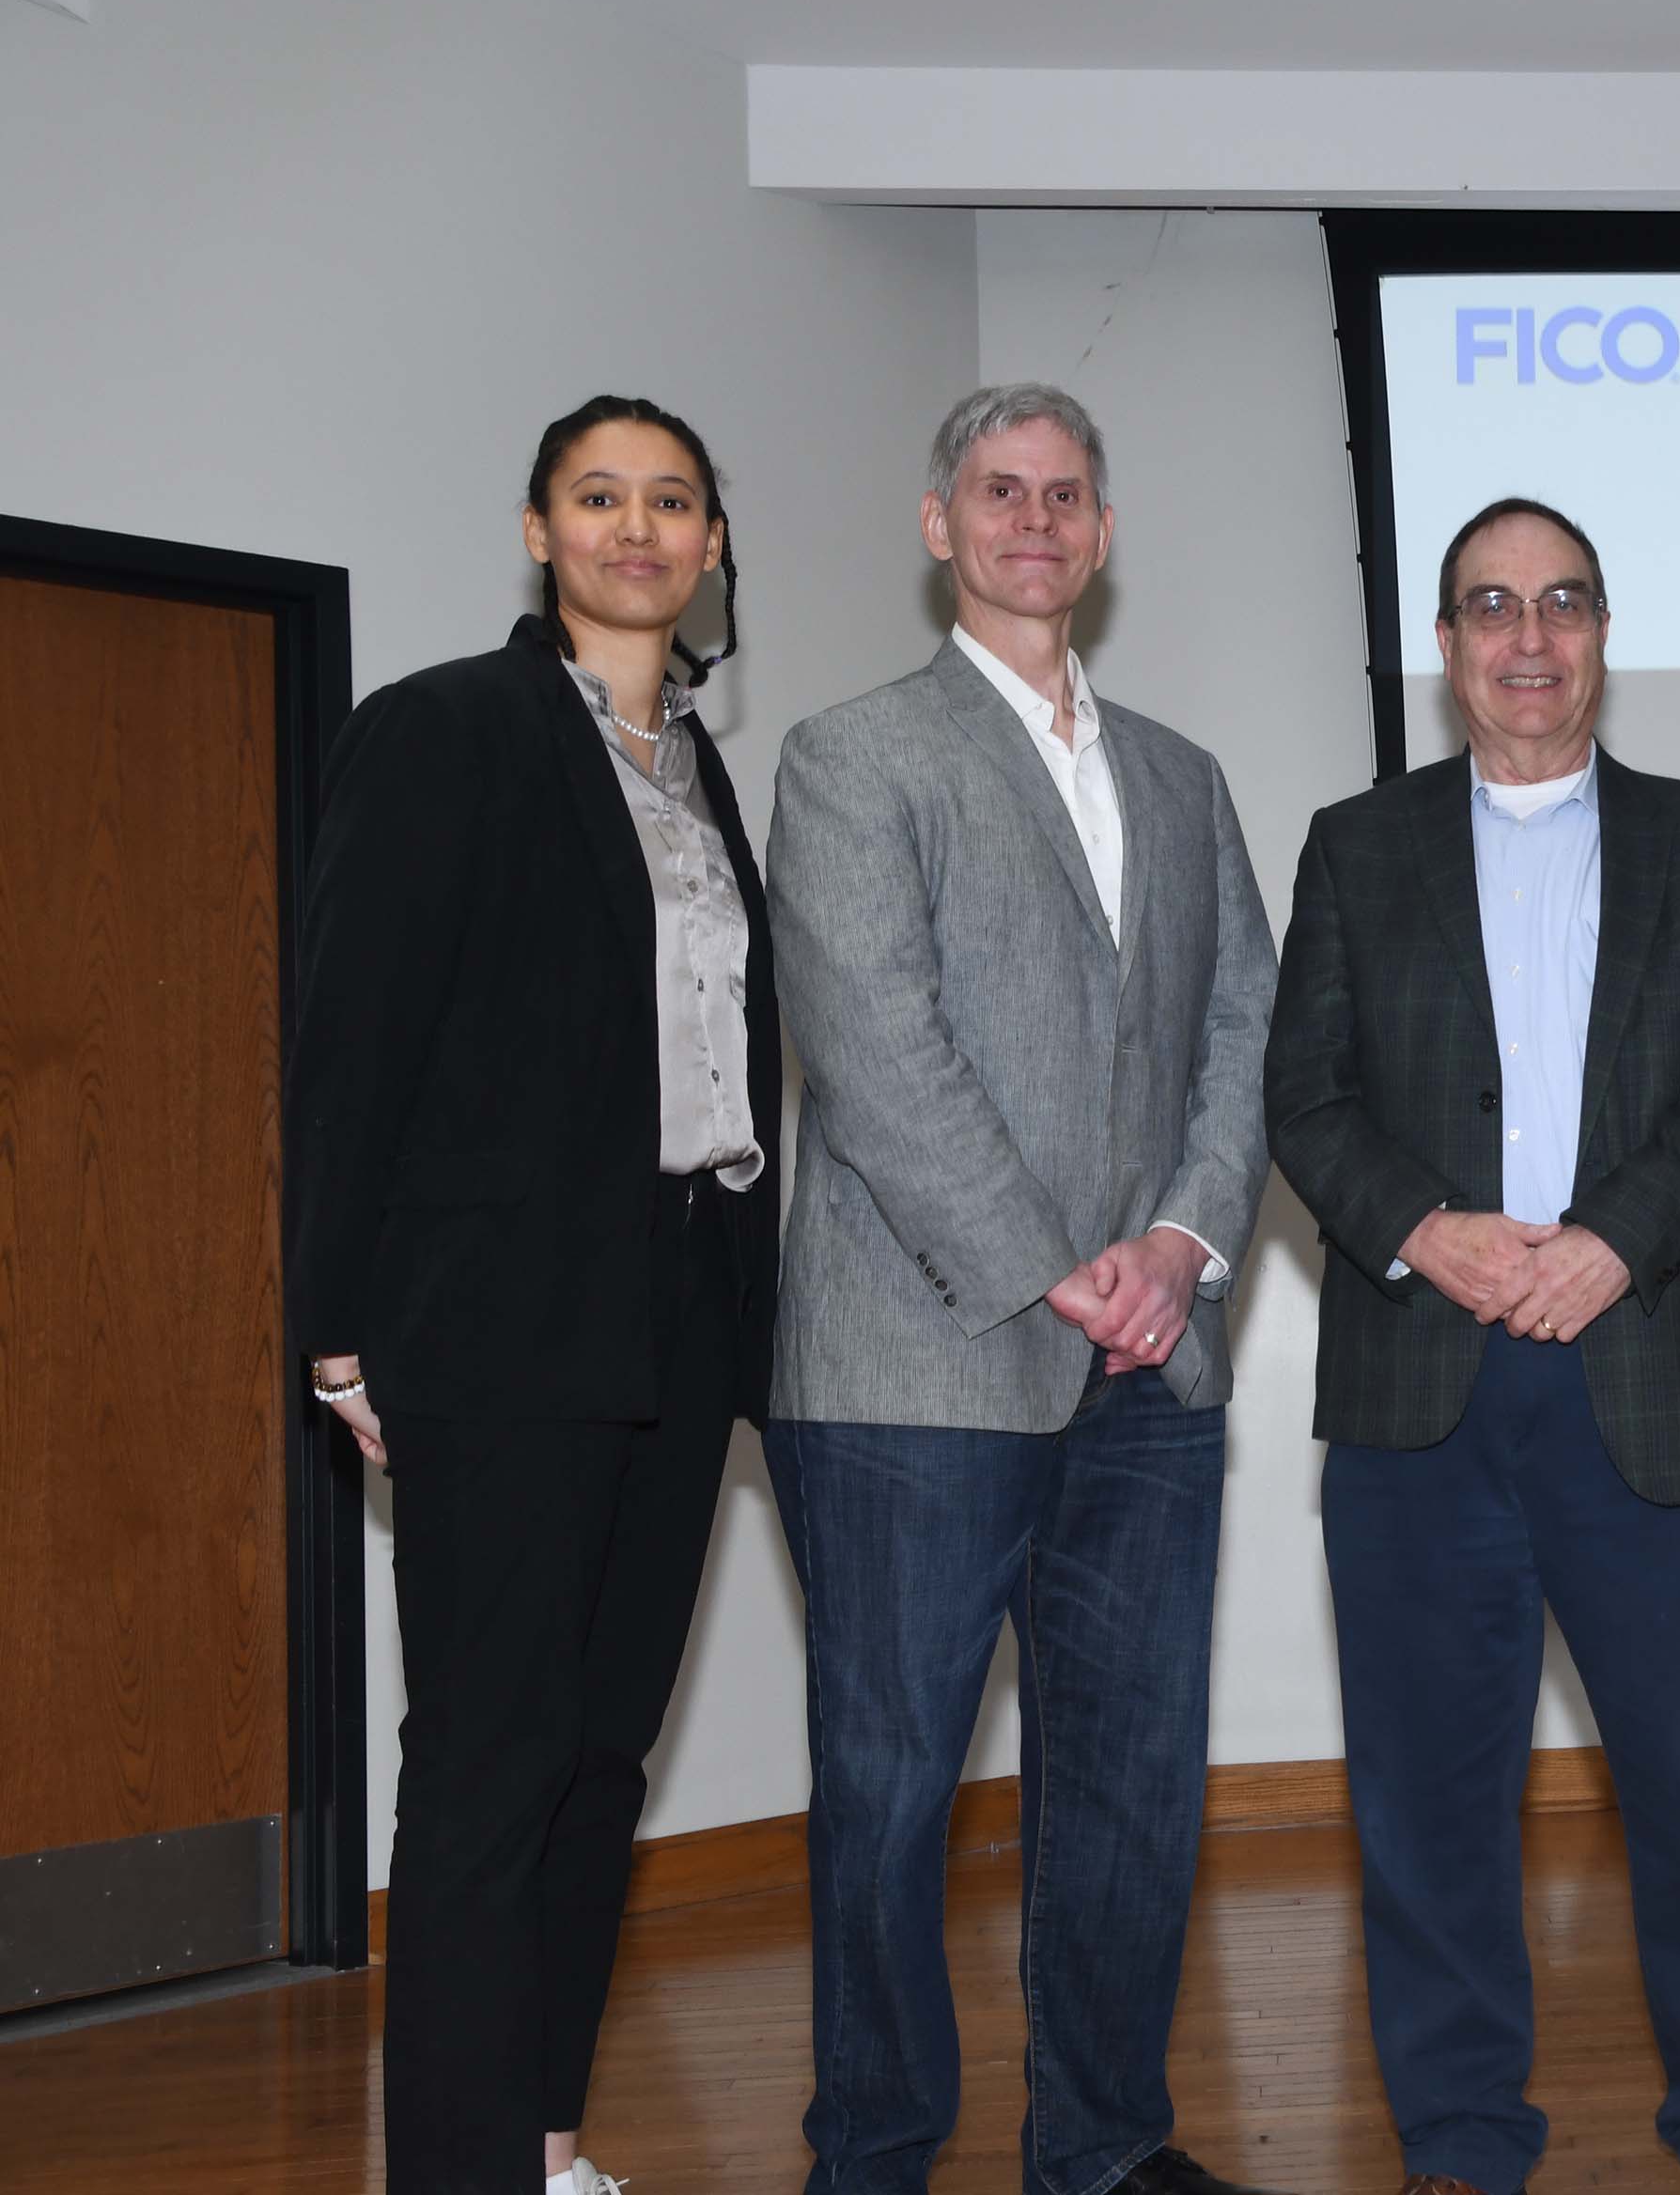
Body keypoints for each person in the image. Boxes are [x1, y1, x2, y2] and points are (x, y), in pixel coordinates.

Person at [762, 382, 1281, 2195]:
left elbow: (1242, 1038)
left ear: (1104, 530)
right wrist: (1059, 1269)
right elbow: (874, 1051)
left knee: (1131, 1795)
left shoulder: (1182, 777)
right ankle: (879, 2154)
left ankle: (1105, 2149)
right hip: (916, 1366)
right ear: (938, 524)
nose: (1034, 521)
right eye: (1000, 492)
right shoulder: (848, 756)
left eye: (1066, 494)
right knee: (894, 1803)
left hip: (1154, 1366)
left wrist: (1184, 1245)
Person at [1266, 498, 1680, 2195]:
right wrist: (1427, 1227)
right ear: (1445, 647)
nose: (1528, 636)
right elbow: (1303, 1094)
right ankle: (1458, 2141)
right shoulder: (1356, 847)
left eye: (1561, 602)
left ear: (1600, 631)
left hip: (1641, 1365)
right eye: (1491, 606)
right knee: (1428, 1809)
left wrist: (1614, 1242)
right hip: (1420, 1387)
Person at [288, 395, 774, 2195]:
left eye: (670, 501)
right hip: (496, 1321)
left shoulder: (703, 767)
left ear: (712, 543)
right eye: (598, 497)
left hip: (682, 1305)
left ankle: (544, 2149)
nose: (635, 529)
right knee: (490, 1775)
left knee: (597, 1764)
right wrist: (336, 1321)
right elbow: (354, 1042)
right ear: (536, 527)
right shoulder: (446, 730)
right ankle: (456, 2175)